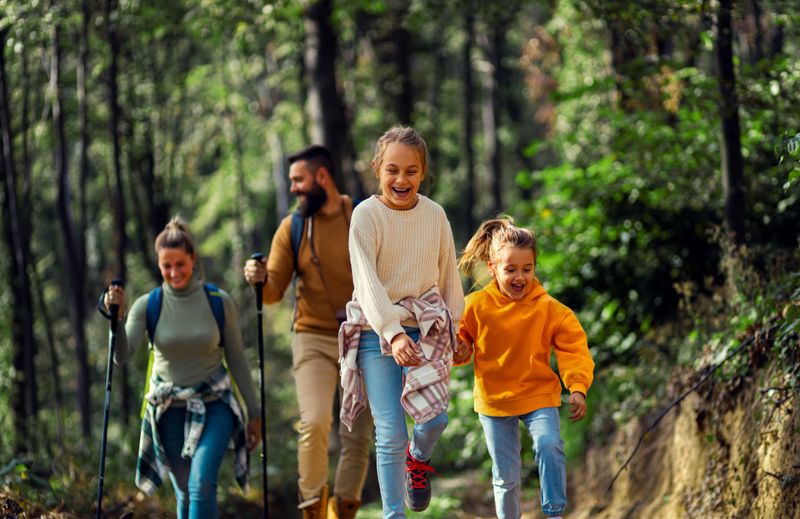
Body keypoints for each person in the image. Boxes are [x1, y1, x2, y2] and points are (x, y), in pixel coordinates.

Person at [338, 125, 465, 518]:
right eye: (392, 170)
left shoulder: (434, 215)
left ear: (423, 172)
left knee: (435, 419)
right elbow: (367, 283)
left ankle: (418, 459)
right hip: (378, 335)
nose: (401, 179)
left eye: (411, 171)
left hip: (426, 327)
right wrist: (392, 334)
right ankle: (394, 514)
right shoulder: (365, 216)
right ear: (378, 169)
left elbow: (448, 276)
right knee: (390, 432)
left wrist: (458, 329)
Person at [243, 145, 372, 519]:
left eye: (298, 180)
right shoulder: (293, 227)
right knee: (314, 422)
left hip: (362, 334)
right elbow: (271, 294)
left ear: (321, 177)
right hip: (313, 336)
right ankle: (312, 510)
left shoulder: (363, 215)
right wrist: (259, 278)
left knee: (357, 434)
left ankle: (344, 509)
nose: (294, 188)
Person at [103, 217, 261, 519]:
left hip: (216, 405)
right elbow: (121, 355)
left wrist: (254, 413)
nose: (174, 272)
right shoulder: (148, 305)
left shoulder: (218, 301)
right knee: (185, 492)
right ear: (159, 265)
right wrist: (116, 320)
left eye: (180, 264)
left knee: (202, 483)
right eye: (167, 266)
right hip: (168, 409)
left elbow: (238, 359)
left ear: (193, 259)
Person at [455, 216, 595, 519]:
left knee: (549, 445)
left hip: (537, 394)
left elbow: (573, 350)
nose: (520, 277)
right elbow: (459, 345)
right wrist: (460, 348)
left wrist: (578, 387)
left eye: (527, 269)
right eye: (511, 270)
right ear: (493, 269)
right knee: (506, 476)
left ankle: (554, 512)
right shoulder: (475, 305)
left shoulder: (550, 309)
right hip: (494, 400)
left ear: (534, 268)